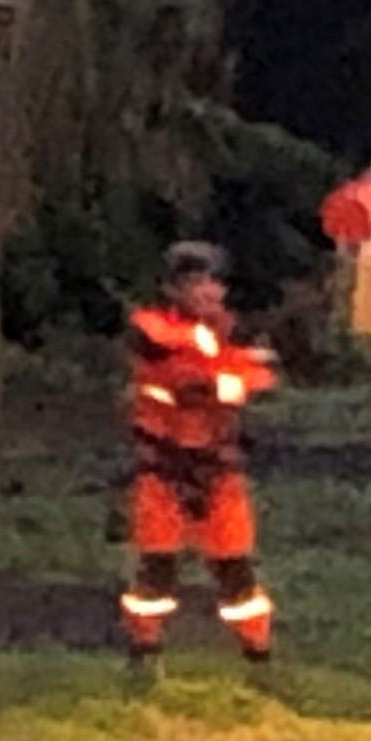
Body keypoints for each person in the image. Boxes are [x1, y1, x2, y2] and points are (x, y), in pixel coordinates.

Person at [119, 240, 280, 673]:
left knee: (235, 566)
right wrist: (224, 382)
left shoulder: (227, 332)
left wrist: (231, 378)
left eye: (214, 282)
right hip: (164, 465)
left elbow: (259, 376)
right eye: (195, 282)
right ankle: (144, 652)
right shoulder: (152, 330)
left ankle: (259, 655)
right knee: (156, 567)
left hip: (218, 468)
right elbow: (179, 379)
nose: (208, 291)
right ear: (173, 289)